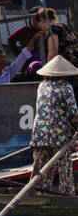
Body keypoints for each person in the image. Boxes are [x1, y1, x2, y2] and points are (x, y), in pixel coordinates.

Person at [29, 55, 78, 197]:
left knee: (42, 169)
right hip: (59, 135)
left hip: (39, 134)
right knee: (65, 169)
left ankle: (39, 196)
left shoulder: (42, 85)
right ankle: (67, 197)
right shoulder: (66, 87)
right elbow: (73, 114)